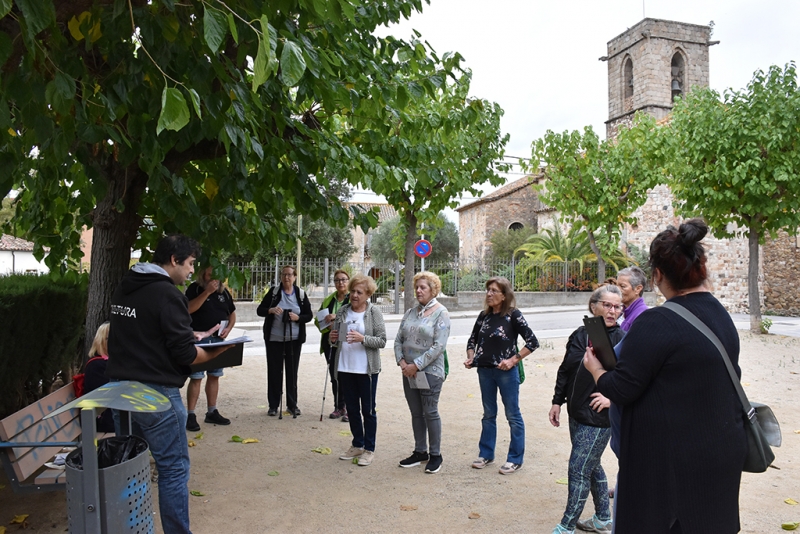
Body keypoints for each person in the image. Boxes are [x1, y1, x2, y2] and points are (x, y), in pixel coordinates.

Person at [583, 219, 747, 533]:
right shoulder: (720, 314)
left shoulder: (656, 322)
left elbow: (622, 388)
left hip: (672, 464)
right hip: (720, 451)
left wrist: (596, 369)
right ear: (701, 267)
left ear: (657, 275)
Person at [107, 234, 229, 534]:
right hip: (155, 393)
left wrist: (189, 335)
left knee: (130, 466)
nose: (191, 271)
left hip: (120, 392)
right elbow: (186, 355)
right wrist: (218, 350)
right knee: (173, 469)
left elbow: (144, 335)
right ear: (174, 260)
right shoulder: (168, 294)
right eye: (189, 264)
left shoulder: (126, 286)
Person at [549, 285, 624, 534]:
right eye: (608, 305)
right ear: (594, 306)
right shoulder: (580, 335)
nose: (613, 311)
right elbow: (565, 370)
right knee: (591, 465)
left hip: (599, 418)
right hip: (576, 412)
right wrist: (557, 401)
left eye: (618, 306)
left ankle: (567, 526)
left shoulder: (623, 339)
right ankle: (603, 518)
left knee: (578, 469)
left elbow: (633, 379)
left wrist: (612, 398)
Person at [464, 276, 539, 475]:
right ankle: (486, 454)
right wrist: (471, 357)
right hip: (484, 371)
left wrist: (513, 360)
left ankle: (515, 459)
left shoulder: (513, 315)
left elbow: (532, 342)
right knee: (488, 414)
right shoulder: (483, 316)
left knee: (513, 415)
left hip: (506, 373)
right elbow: (472, 341)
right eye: (488, 290)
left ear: (504, 295)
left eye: (494, 291)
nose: (489, 294)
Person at [394, 271, 451, 474]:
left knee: (430, 411)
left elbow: (439, 346)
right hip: (408, 372)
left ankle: (435, 454)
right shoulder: (410, 312)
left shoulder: (441, 313)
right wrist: (402, 362)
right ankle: (420, 451)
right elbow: (398, 339)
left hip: (430, 372)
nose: (418, 290)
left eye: (423, 287)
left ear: (433, 289)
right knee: (416, 413)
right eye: (416, 287)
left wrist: (416, 365)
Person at [330, 274, 386, 467]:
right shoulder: (343, 311)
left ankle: (369, 449)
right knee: (352, 410)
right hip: (346, 367)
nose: (354, 295)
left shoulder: (373, 313)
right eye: (352, 291)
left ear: (368, 294)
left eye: (359, 292)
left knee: (368, 410)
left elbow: (382, 340)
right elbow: (335, 340)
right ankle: (357, 443)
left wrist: (363, 339)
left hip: (366, 370)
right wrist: (333, 337)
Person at [185, 264, 237, 431]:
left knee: (215, 375)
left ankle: (212, 411)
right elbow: (188, 309)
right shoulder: (195, 289)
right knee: (196, 376)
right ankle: (191, 414)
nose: (213, 278)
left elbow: (232, 313)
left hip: (218, 339)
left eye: (216, 275)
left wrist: (229, 328)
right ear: (203, 274)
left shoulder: (223, 291)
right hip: (200, 338)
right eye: (210, 274)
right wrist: (207, 292)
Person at [257, 265, 313, 417]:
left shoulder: (300, 294)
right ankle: (273, 406)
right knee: (274, 372)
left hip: (294, 340)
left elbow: (309, 315)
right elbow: (260, 310)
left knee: (292, 372)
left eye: (289, 275)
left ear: (295, 277)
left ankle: (292, 405)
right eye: (284, 274)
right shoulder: (274, 293)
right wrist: (271, 310)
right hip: (274, 339)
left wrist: (298, 318)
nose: (286, 277)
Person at [315, 269, 350, 421]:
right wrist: (327, 325)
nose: (340, 283)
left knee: (347, 377)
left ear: (348, 281)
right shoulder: (329, 300)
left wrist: (338, 316)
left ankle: (350, 408)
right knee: (334, 377)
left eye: (343, 279)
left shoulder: (354, 298)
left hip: (348, 344)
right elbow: (318, 320)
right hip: (332, 343)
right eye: (337, 280)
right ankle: (339, 406)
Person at [82, 321, 114, 433]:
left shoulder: (107, 363)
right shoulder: (97, 366)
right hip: (104, 422)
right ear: (102, 342)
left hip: (113, 417)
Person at [616, 266, 648, 332]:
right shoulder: (622, 312)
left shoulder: (641, 316)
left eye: (622, 286)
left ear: (638, 289)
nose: (617, 290)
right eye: (616, 285)